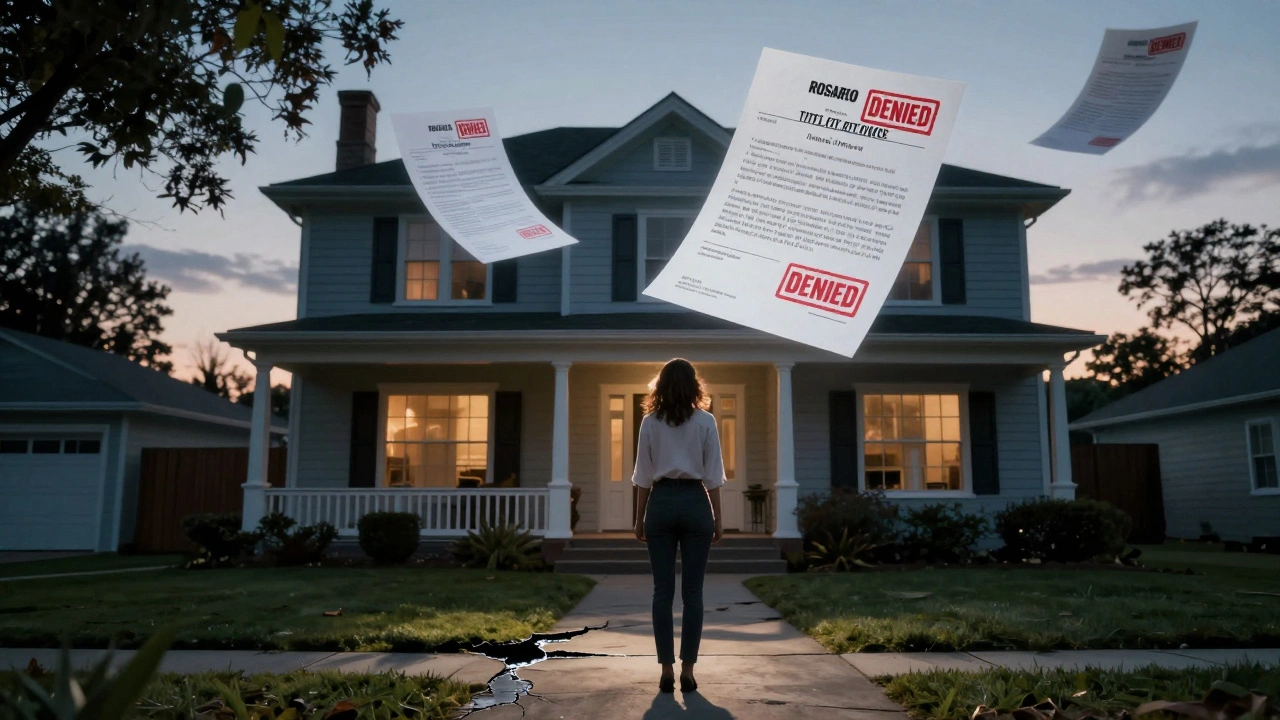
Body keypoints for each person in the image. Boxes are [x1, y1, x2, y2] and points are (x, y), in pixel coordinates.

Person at [631, 358, 725, 694]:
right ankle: (688, 669)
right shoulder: (706, 421)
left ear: (661, 386)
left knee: (662, 591)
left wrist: (639, 518)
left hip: (660, 501)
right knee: (693, 593)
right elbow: (713, 475)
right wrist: (718, 519)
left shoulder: (650, 422)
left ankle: (666, 670)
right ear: (694, 386)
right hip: (696, 502)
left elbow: (643, 475)